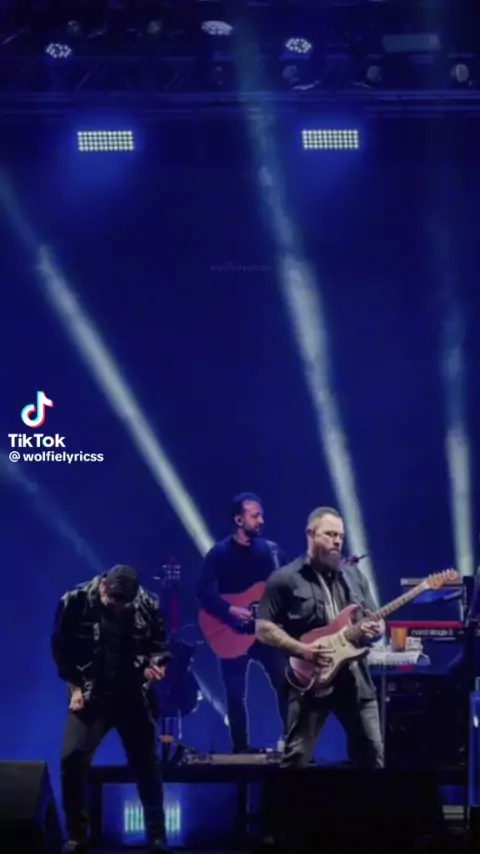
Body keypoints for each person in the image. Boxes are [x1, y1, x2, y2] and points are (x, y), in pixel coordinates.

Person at [51, 565, 171, 854]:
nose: (118, 606)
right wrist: (75, 688)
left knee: (147, 764)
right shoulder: (75, 600)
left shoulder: (148, 604)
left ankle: (157, 836)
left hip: (132, 694)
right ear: (103, 585)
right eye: (114, 600)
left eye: (124, 603)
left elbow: (159, 647)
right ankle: (77, 836)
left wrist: (155, 666)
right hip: (92, 694)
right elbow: (61, 650)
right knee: (72, 760)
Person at [256, 506, 384, 768]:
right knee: (296, 760)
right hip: (310, 679)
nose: (337, 541)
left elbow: (375, 620)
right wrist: (302, 650)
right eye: (330, 534)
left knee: (373, 759)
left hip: (355, 679)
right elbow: (263, 628)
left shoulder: (353, 576)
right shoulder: (285, 579)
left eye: (340, 536)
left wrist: (377, 630)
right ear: (310, 534)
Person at [196, 492, 288, 753]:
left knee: (286, 685)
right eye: (254, 516)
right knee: (235, 695)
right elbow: (203, 590)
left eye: (261, 515)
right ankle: (240, 750)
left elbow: (290, 582)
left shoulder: (272, 551)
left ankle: (294, 744)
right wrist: (229, 610)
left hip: (264, 631)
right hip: (231, 633)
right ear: (239, 520)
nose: (261, 520)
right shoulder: (219, 553)